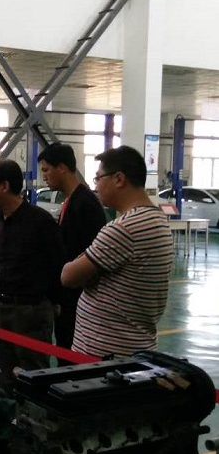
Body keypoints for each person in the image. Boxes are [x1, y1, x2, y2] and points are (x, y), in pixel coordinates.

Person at [62, 145, 174, 358]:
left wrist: (86, 263)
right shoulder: (157, 220)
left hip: (104, 355)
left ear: (119, 179)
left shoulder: (124, 228)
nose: (96, 186)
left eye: (98, 178)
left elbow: (68, 276)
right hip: (134, 347)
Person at [0, 160, 63, 389]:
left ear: (4, 186)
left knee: (33, 373)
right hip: (3, 307)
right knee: (6, 372)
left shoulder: (40, 222)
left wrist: (52, 304)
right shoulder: (0, 222)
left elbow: (57, 264)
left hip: (31, 311)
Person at [38, 143, 107, 357]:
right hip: (67, 297)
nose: (44, 177)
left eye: (46, 170)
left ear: (62, 168)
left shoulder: (85, 205)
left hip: (79, 299)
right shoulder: (71, 201)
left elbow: (91, 256)